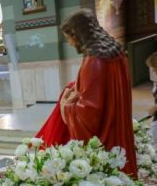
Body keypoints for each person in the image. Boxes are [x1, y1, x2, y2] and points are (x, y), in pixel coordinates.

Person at [36, 9, 137, 177]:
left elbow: (89, 114)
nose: (69, 43)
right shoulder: (116, 51)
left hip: (106, 141)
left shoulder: (94, 60)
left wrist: (66, 104)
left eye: (69, 37)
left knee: (109, 182)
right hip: (117, 129)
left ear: (79, 35)